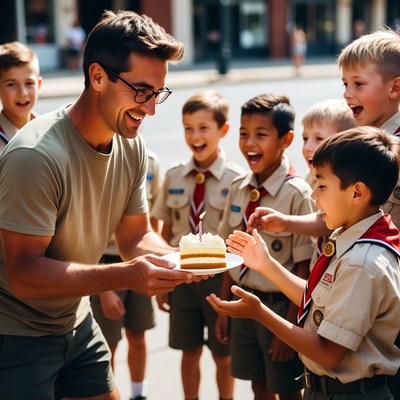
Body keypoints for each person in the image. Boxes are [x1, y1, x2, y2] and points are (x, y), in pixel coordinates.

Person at [0, 10, 206, 400]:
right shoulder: (35, 155)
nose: (150, 109)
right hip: (15, 336)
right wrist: (124, 276)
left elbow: (136, 235)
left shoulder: (132, 144)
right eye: (141, 91)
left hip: (75, 322)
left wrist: (176, 260)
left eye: (158, 93)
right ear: (97, 77)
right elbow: (23, 274)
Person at [208, 127, 400, 399]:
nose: (314, 196)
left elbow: (328, 352)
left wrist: (260, 312)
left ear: (357, 193)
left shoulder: (362, 262)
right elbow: (318, 300)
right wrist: (265, 264)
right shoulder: (355, 235)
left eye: (321, 185)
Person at [216, 93, 315, 400]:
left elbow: (303, 266)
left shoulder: (297, 194)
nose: (250, 144)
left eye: (261, 135)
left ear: (286, 140)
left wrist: (289, 327)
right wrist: (224, 308)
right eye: (244, 134)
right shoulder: (238, 187)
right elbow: (230, 254)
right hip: (243, 299)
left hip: (279, 306)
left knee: (286, 388)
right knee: (256, 382)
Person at [151, 89, 245, 400]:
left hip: (220, 281)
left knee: (222, 354)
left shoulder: (237, 180)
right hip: (181, 280)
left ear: (223, 131)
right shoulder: (175, 175)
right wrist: (162, 278)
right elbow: (163, 230)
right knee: (188, 352)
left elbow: (239, 241)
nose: (195, 136)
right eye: (188, 128)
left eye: (203, 128)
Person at [91, 150, 161, 400]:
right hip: (102, 262)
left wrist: (164, 259)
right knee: (106, 343)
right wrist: (104, 290)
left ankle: (138, 394)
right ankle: (105, 392)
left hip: (138, 259)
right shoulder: (95, 159)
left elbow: (151, 219)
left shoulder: (150, 161)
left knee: (138, 333)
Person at [0, 41, 42, 151]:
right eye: (11, 84)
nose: (22, 92)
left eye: (29, 83)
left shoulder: (50, 131)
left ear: (39, 84)